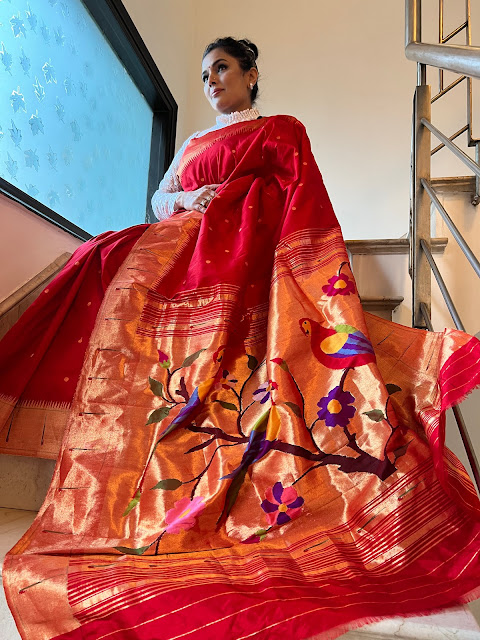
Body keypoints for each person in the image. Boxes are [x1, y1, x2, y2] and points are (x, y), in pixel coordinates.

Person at [2, 37, 480, 640]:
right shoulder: (193, 143)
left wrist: (233, 207)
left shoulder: (277, 129)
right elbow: (161, 198)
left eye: (222, 68)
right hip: (186, 238)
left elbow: (294, 187)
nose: (210, 81)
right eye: (204, 73)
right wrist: (189, 199)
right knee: (101, 257)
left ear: (251, 76)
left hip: (240, 252)